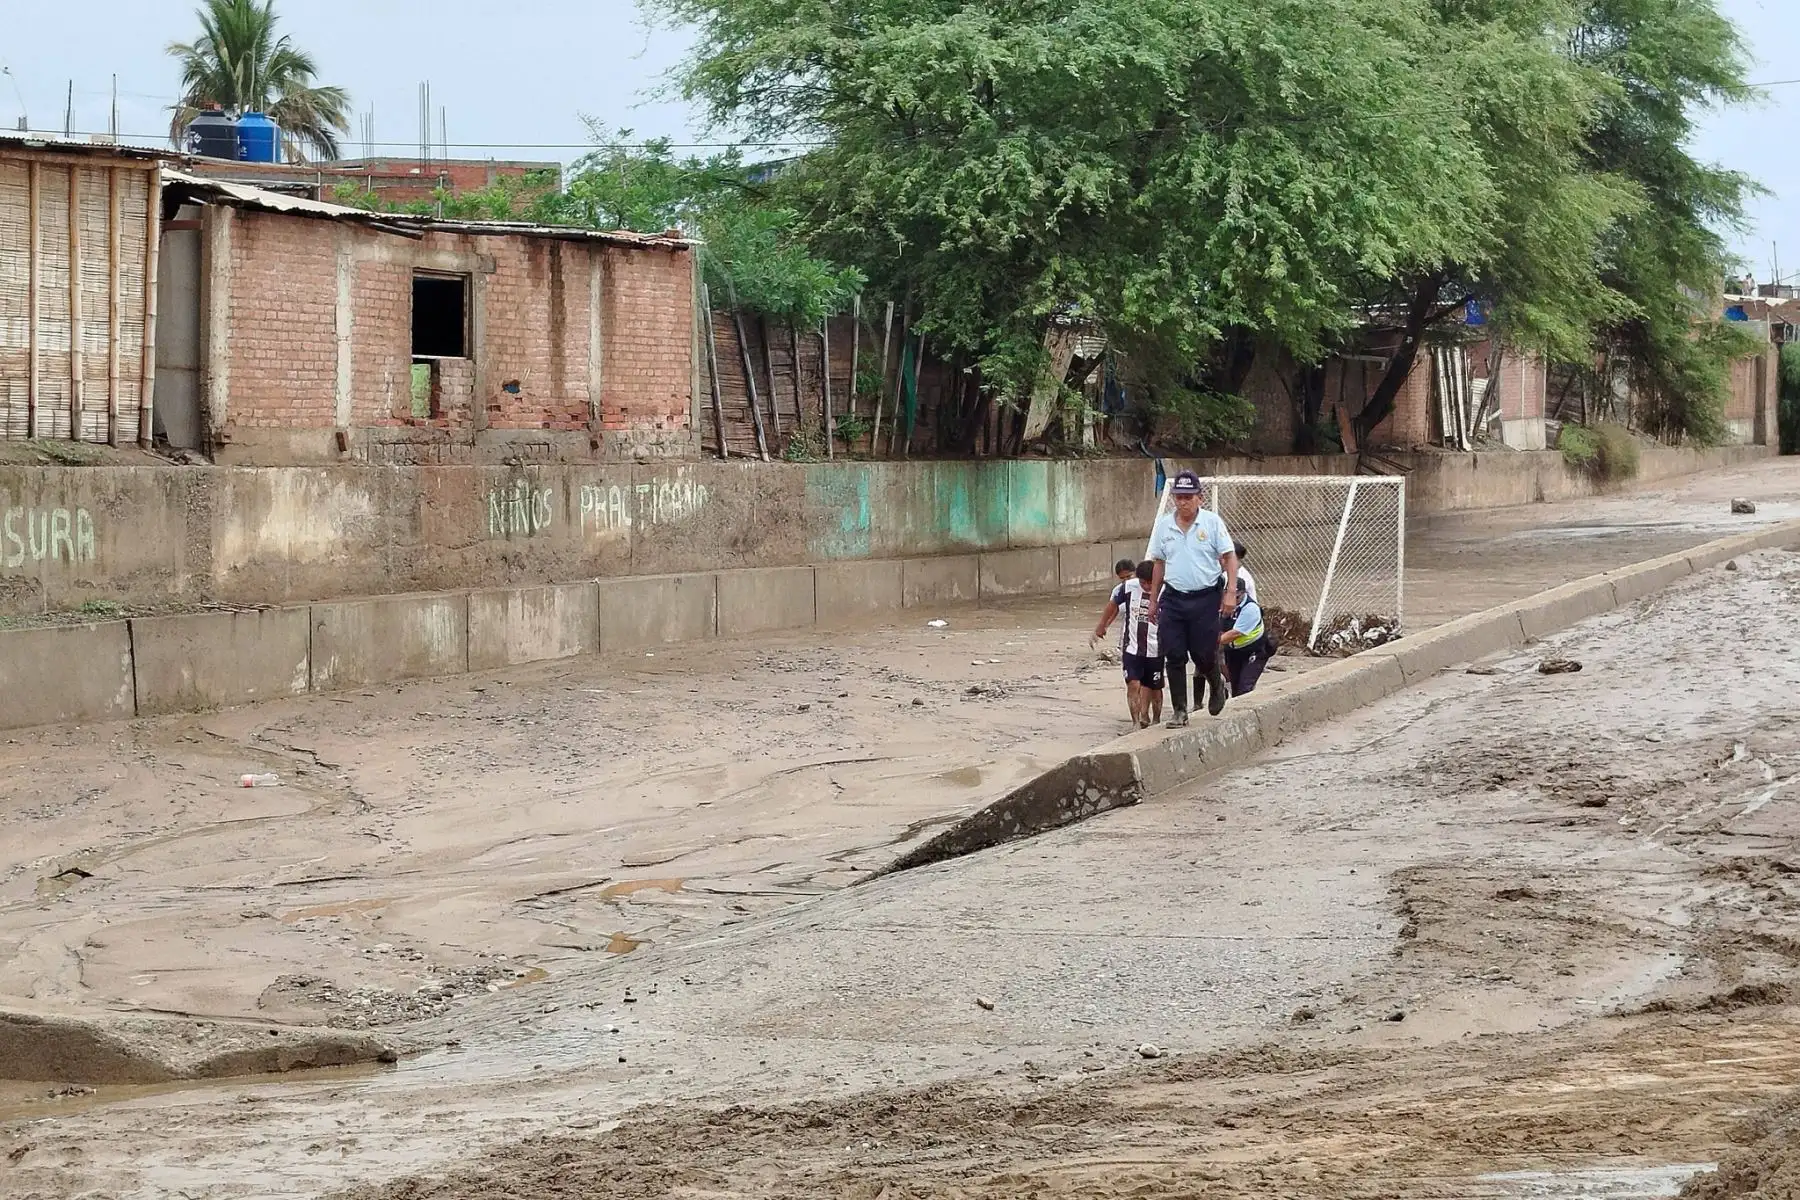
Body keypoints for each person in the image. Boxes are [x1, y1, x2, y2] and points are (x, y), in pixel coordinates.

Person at [1147, 470, 1239, 726]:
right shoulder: (1165, 525)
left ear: (1200, 498)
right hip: (1174, 598)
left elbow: (1230, 557)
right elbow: (1158, 563)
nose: (1183, 502)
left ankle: (1216, 683)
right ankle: (1179, 710)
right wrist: (1153, 600)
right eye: (1179, 497)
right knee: (1173, 653)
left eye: (1188, 497)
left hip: (1206, 598)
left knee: (1202, 654)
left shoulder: (1212, 523)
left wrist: (1230, 592)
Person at [1093, 560, 1164, 727]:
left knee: (1155, 689)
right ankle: (1135, 724)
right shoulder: (1127, 588)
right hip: (1131, 647)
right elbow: (1112, 605)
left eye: (1150, 582)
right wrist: (1101, 626)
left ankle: (1156, 720)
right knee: (1133, 684)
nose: (1146, 586)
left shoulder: (1166, 590)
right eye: (1143, 582)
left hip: (1156, 649)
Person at [1218, 577, 1272, 696]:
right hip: (1234, 650)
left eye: (1235, 596)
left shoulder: (1250, 609)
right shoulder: (1222, 604)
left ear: (1242, 593)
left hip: (1255, 650)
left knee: (1244, 689)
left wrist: (1209, 642)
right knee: (1234, 687)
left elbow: (1235, 633)